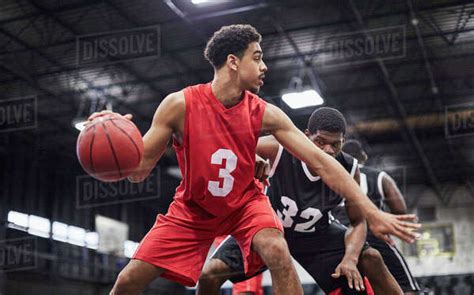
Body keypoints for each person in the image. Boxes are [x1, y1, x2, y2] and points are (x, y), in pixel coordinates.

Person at [88, 24, 419, 295]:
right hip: (192, 208)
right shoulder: (180, 105)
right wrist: (116, 139)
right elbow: (136, 173)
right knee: (128, 281)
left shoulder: (267, 114)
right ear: (233, 62)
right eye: (257, 58)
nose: (264, 67)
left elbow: (321, 162)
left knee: (277, 251)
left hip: (245, 203)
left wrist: (371, 210)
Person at [198, 107, 403, 295]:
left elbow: (358, 222)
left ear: (342, 142)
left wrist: (350, 257)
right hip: (267, 229)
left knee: (372, 258)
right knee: (209, 274)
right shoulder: (279, 148)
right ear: (306, 136)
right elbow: (229, 145)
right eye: (320, 142)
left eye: (335, 144)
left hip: (316, 234)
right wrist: (251, 155)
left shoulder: (349, 168)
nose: (328, 150)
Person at [336, 140, 421, 294]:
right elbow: (400, 210)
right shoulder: (380, 176)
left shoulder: (331, 176)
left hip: (339, 237)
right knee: (406, 288)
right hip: (372, 234)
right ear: (364, 156)